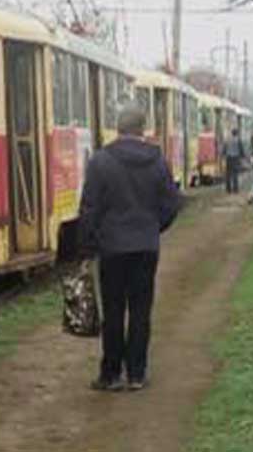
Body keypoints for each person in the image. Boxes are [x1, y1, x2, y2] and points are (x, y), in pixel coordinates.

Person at [79, 101, 182, 392]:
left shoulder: (100, 161)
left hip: (112, 248)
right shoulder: (158, 161)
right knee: (140, 310)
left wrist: (88, 248)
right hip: (146, 246)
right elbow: (172, 204)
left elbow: (89, 208)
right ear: (142, 130)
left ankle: (110, 374)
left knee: (113, 311)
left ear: (118, 129)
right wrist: (154, 227)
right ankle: (137, 373)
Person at [222, 128, 245, 194]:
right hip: (236, 158)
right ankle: (235, 189)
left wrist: (223, 155)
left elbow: (224, 149)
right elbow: (241, 150)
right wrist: (243, 157)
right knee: (235, 174)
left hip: (228, 158)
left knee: (228, 174)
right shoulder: (238, 140)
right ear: (236, 133)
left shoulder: (227, 140)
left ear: (231, 133)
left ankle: (228, 189)